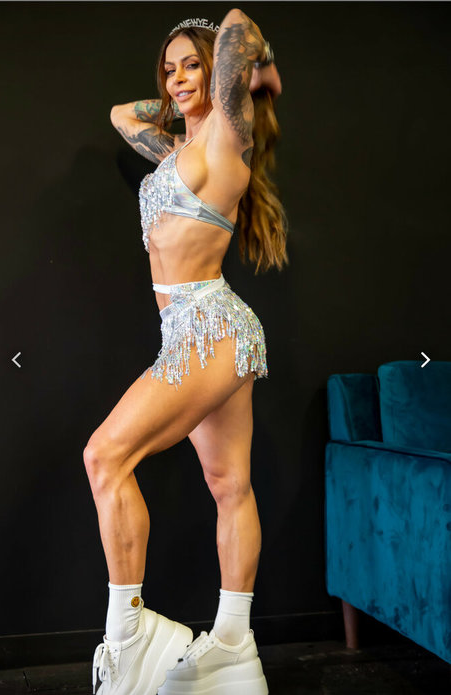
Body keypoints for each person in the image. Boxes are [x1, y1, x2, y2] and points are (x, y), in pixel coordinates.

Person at [84, 8, 288, 695]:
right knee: (230, 487)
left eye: (190, 65)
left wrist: (258, 68)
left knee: (105, 456)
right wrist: (179, 97)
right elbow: (121, 114)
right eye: (168, 70)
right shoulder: (179, 145)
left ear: (217, 68)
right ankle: (234, 648)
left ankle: (130, 633)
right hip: (198, 332)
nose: (176, 79)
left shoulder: (228, 133)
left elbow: (235, 23)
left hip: (210, 326)